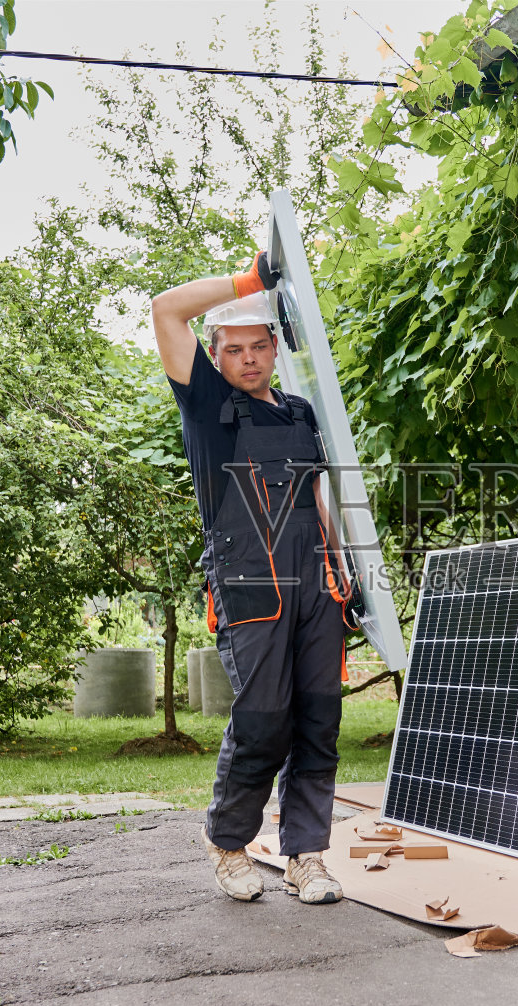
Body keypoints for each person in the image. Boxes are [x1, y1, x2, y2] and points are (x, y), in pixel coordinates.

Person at [151, 253, 350, 905]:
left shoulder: (299, 412)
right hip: (250, 580)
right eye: (232, 349)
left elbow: (315, 496)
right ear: (215, 354)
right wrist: (251, 280)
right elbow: (165, 309)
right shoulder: (208, 407)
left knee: (319, 718)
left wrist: (341, 566)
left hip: (315, 577)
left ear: (272, 347)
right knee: (264, 719)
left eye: (258, 346)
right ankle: (230, 843)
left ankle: (306, 856)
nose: (248, 358)